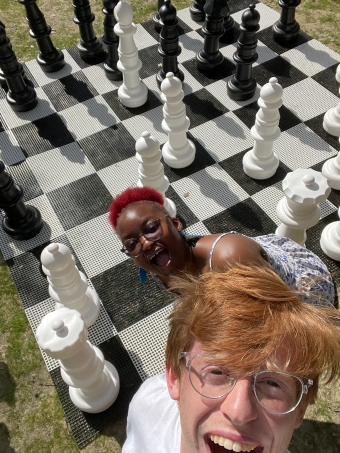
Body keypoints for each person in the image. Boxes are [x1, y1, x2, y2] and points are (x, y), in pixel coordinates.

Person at [121, 264, 340, 453]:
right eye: (216, 371)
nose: (239, 412)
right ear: (174, 378)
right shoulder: (147, 406)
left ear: (300, 410)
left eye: (272, 382)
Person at [108, 186, 335, 305]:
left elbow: (284, 311)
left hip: (304, 292)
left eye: (150, 229)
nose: (145, 244)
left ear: (176, 224)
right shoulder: (161, 269)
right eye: (132, 244)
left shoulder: (231, 256)